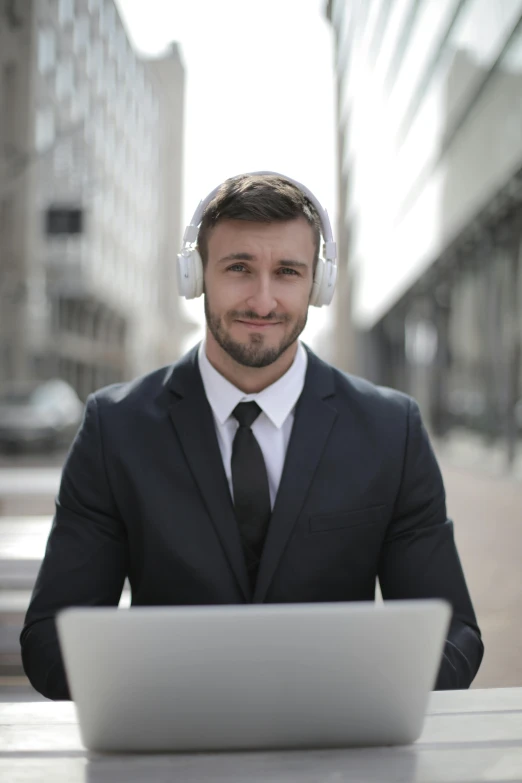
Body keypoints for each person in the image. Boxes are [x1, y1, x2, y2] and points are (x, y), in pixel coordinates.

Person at [21, 172, 484, 700]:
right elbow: (50, 642)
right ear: (196, 276)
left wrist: (343, 698)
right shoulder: (115, 429)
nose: (263, 303)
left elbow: (456, 637)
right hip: (174, 754)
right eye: (239, 268)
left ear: (318, 284)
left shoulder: (391, 430)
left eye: (287, 272)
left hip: (338, 753)